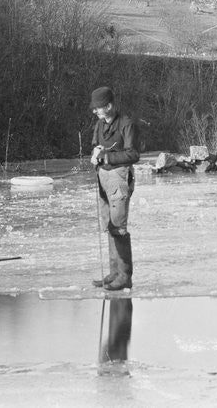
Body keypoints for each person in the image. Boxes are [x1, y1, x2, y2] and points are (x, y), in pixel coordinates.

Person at [88, 86, 140, 291]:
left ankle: (125, 276)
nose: (95, 111)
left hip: (120, 178)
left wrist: (107, 157)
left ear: (109, 106)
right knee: (109, 225)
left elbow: (133, 155)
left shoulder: (127, 124)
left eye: (98, 108)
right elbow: (95, 146)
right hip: (102, 177)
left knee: (119, 227)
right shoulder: (99, 125)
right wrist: (95, 154)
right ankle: (114, 273)